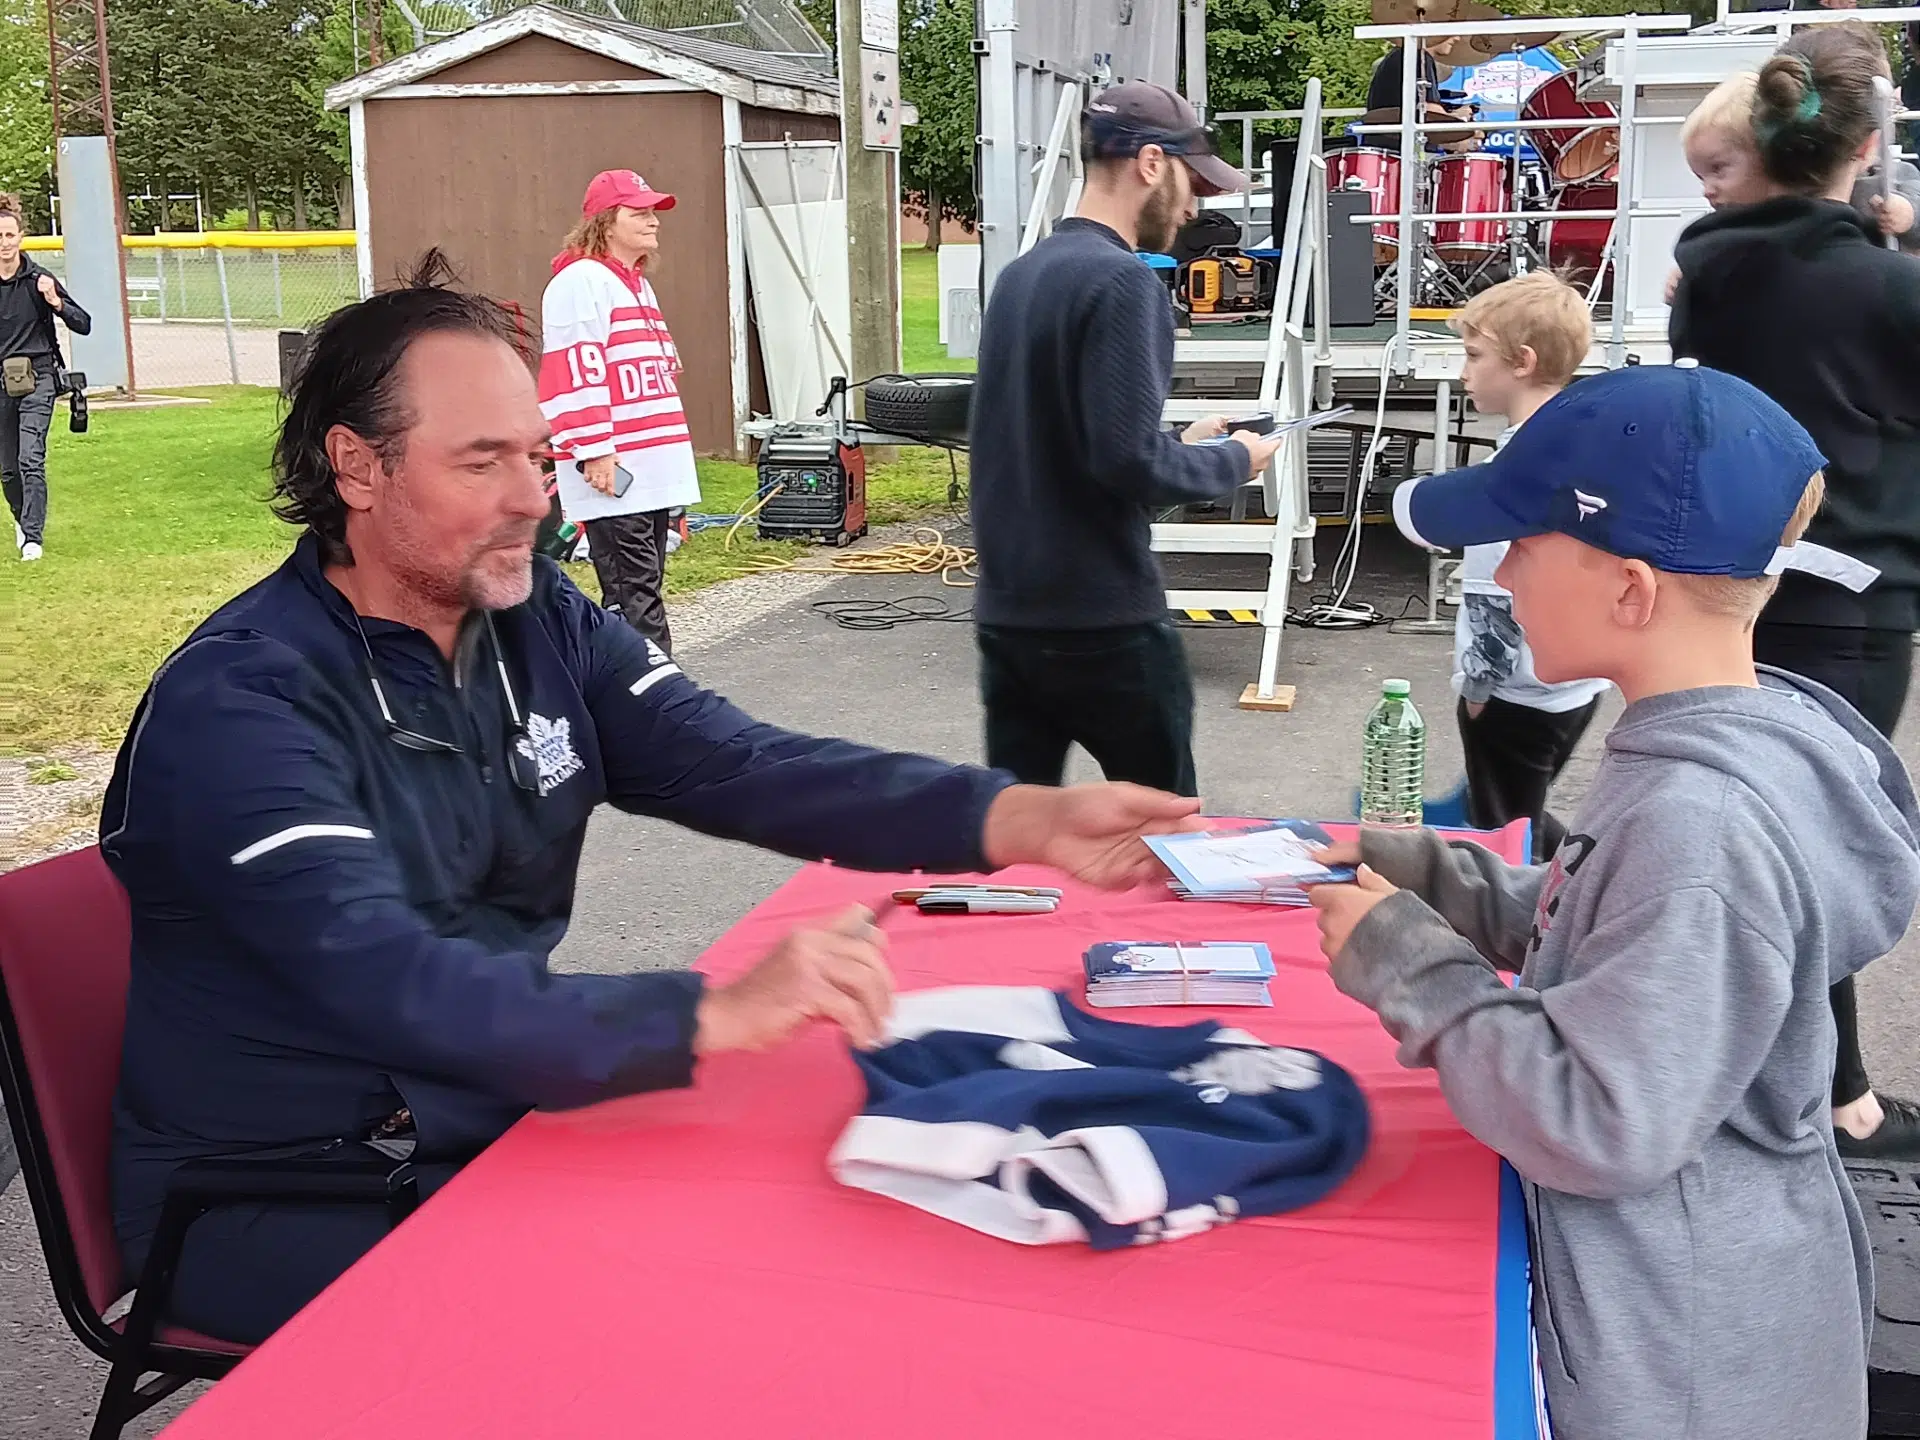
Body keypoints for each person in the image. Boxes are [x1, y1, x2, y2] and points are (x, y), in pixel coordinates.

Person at [100, 255, 1206, 1346]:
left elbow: (738, 763)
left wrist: (1017, 818)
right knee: (723, 1309)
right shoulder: (243, 701)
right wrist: (708, 1014)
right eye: (483, 463)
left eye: (540, 457)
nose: (535, 498)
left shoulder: (534, 620)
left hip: (483, 1117)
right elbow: (394, 983)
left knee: (857, 1210)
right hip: (286, 1191)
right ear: (357, 465)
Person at [1313, 362, 1920, 1440]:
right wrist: (1435, 876)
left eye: (1521, 545)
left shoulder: (1699, 822)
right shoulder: (1717, 735)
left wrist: (1413, 966)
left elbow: (1600, 1120)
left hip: (1681, 1367)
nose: (1499, 573)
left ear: (1631, 591)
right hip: (1694, 1302)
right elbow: (1601, 918)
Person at [1670, 22, 1920, 1158]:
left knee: (1752, 838)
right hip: (1852, 605)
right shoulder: (1886, 288)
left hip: (1731, 593)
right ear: (1866, 147)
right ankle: (1840, 1100)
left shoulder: (1707, 273)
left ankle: (1760, 1075)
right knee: (1826, 858)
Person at [968, 82, 1286, 797]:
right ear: (1150, 163)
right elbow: (1127, 462)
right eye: (1192, 182)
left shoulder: (1022, 275)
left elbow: (1055, 436)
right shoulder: (1124, 283)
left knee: (1022, 831)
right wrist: (1233, 460)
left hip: (1010, 617)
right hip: (1100, 623)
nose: (1194, 207)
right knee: (1162, 833)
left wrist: (1182, 439)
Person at [1414, 273, 1608, 860]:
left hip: (1515, 688)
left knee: (1503, 835)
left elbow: (1492, 591)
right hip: (1578, 679)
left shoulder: (1513, 470)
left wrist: (1478, 686)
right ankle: (1577, 873)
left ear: (1522, 362)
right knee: (1521, 804)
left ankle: (1559, 898)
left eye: (1475, 356)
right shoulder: (1586, 443)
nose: (1463, 372)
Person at [538, 169, 696, 651]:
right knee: (633, 597)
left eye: (653, 212)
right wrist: (594, 449)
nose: (653, 221)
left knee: (643, 588)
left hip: (649, 465)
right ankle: (649, 686)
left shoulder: (635, 284)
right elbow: (573, 371)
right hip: (618, 464)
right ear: (605, 222)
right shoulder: (581, 281)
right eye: (639, 213)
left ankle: (644, 681)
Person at [1678, 67, 1920, 249]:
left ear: (1767, 155)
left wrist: (1908, 212)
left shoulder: (1869, 182)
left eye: (1718, 169)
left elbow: (1910, 184)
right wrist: (1689, 268)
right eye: (1700, 177)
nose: (1706, 191)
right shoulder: (1730, 225)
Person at [0, 194, 89, 561]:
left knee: (30, 458)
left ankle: (33, 538)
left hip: (38, 377)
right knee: (8, 471)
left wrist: (56, 302)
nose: (4, 243)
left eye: (9, 235)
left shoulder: (39, 279)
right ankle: (23, 520)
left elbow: (83, 323)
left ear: (21, 237)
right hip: (1, 382)